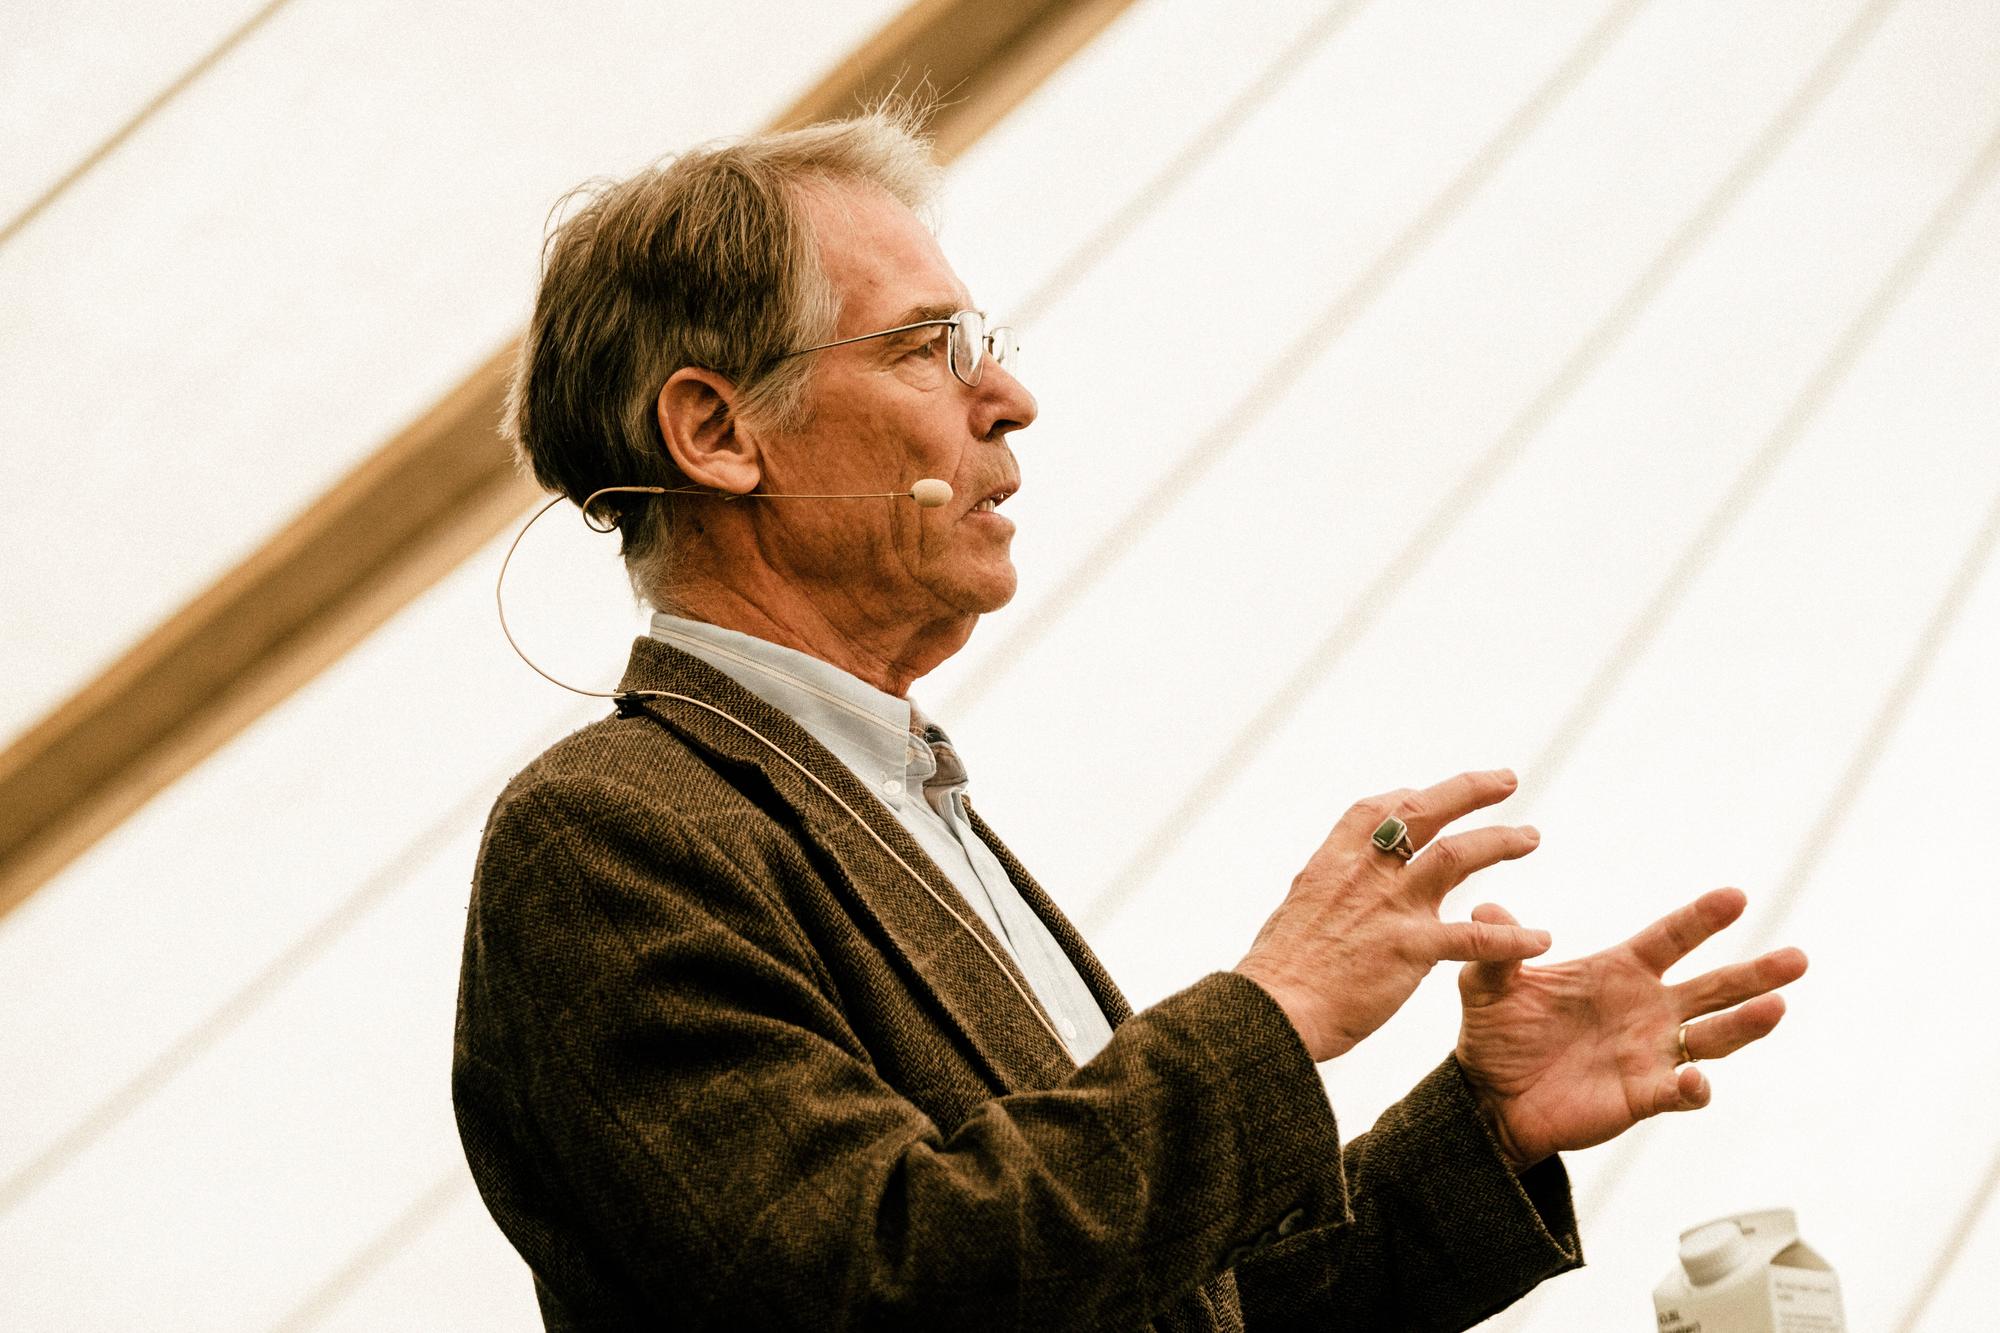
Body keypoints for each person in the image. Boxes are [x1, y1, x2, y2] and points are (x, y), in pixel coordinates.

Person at [453, 106, 1807, 1332]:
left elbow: (1164, 1307)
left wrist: (1481, 1133)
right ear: (719, 431)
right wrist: (1271, 1015)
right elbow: (883, 1282)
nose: (1012, 397)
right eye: (930, 347)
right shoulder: (607, 831)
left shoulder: (894, 802)